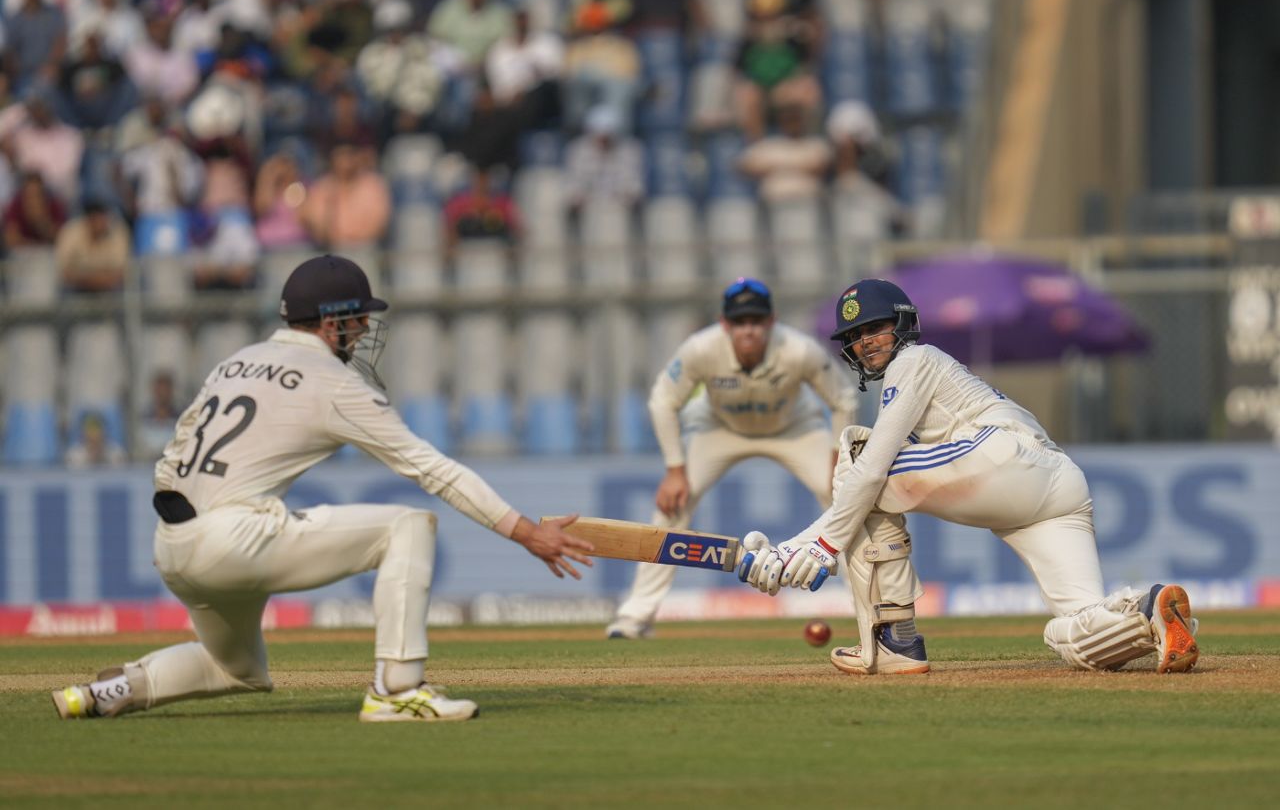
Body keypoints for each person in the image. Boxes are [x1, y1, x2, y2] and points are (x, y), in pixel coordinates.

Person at [53, 255, 593, 722]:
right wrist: (524, 531)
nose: (361, 331)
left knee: (235, 669)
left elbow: (175, 452)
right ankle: (398, 692)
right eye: (356, 318)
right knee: (407, 525)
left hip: (171, 543)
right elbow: (433, 469)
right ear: (331, 321)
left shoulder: (236, 360)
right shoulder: (331, 382)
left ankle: (107, 691)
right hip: (233, 539)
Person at [737, 278, 1201, 676]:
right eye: (856, 336)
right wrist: (797, 550)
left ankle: (895, 641)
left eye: (875, 328)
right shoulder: (918, 371)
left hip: (1003, 456)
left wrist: (809, 548)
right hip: (1059, 487)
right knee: (1073, 636)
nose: (866, 342)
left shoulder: (914, 360)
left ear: (901, 325)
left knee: (858, 451)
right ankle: (1146, 611)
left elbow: (873, 467)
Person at [605, 278, 859, 639]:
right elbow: (663, 400)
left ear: (771, 322)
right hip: (719, 428)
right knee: (673, 503)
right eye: (740, 323)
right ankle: (635, 616)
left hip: (794, 428)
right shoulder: (700, 350)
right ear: (725, 325)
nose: (749, 330)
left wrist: (837, 457)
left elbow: (843, 400)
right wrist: (675, 469)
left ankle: (870, 605)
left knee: (847, 498)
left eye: (756, 321)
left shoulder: (799, 351)